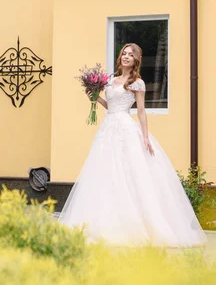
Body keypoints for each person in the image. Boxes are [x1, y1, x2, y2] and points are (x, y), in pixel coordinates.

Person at [58, 43, 207, 247]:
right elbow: (111, 107)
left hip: (126, 129)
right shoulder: (110, 80)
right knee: (105, 173)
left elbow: (141, 111)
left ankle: (138, 225)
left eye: (130, 55)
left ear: (136, 60)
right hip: (108, 128)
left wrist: (145, 137)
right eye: (124, 54)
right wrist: (96, 98)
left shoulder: (137, 82)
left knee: (129, 172)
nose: (126, 57)